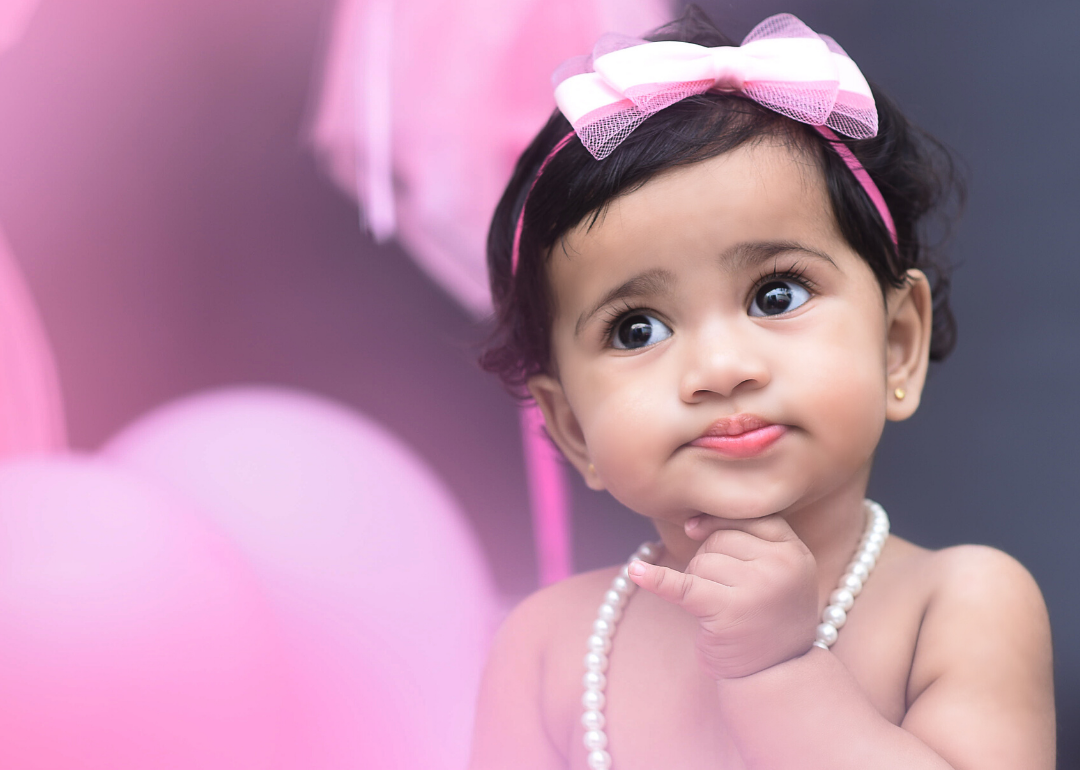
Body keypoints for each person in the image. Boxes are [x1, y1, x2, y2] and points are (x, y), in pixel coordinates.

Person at [469, 8, 1055, 769]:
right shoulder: (546, 647)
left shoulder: (961, 606)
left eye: (776, 295)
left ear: (897, 344)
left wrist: (779, 675)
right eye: (636, 328)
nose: (721, 368)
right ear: (573, 429)